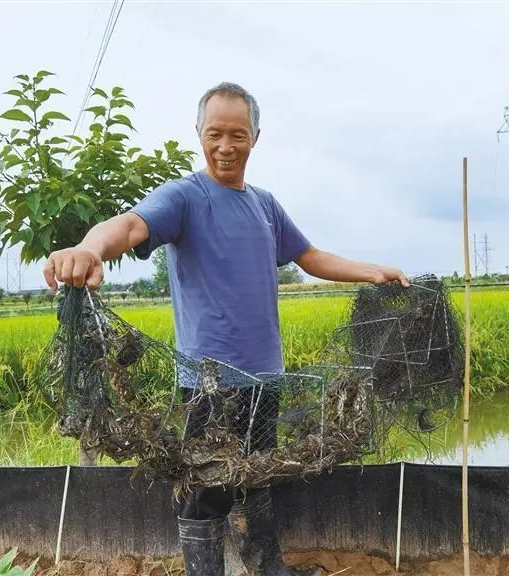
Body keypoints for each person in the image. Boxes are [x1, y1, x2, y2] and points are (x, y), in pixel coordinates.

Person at [43, 82, 409, 576]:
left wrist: (372, 271)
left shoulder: (265, 205)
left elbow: (310, 257)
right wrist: (89, 247)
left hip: (265, 379)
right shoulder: (184, 197)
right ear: (199, 133)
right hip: (208, 385)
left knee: (258, 479)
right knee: (205, 491)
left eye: (237, 134)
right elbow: (129, 227)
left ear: (255, 137)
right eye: (215, 133)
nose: (225, 146)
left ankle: (266, 569)